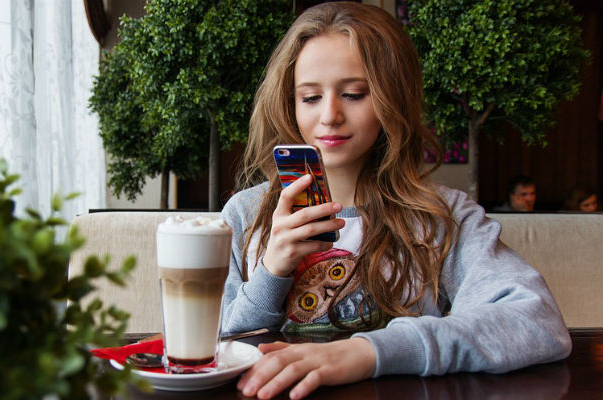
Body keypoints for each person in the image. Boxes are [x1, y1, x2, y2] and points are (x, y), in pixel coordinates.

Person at [218, 3, 570, 399]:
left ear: (392, 97)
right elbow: (208, 349)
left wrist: (368, 352)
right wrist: (271, 273)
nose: (330, 115)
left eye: (354, 94)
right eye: (311, 97)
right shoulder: (246, 215)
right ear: (289, 102)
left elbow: (538, 322)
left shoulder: (443, 217)